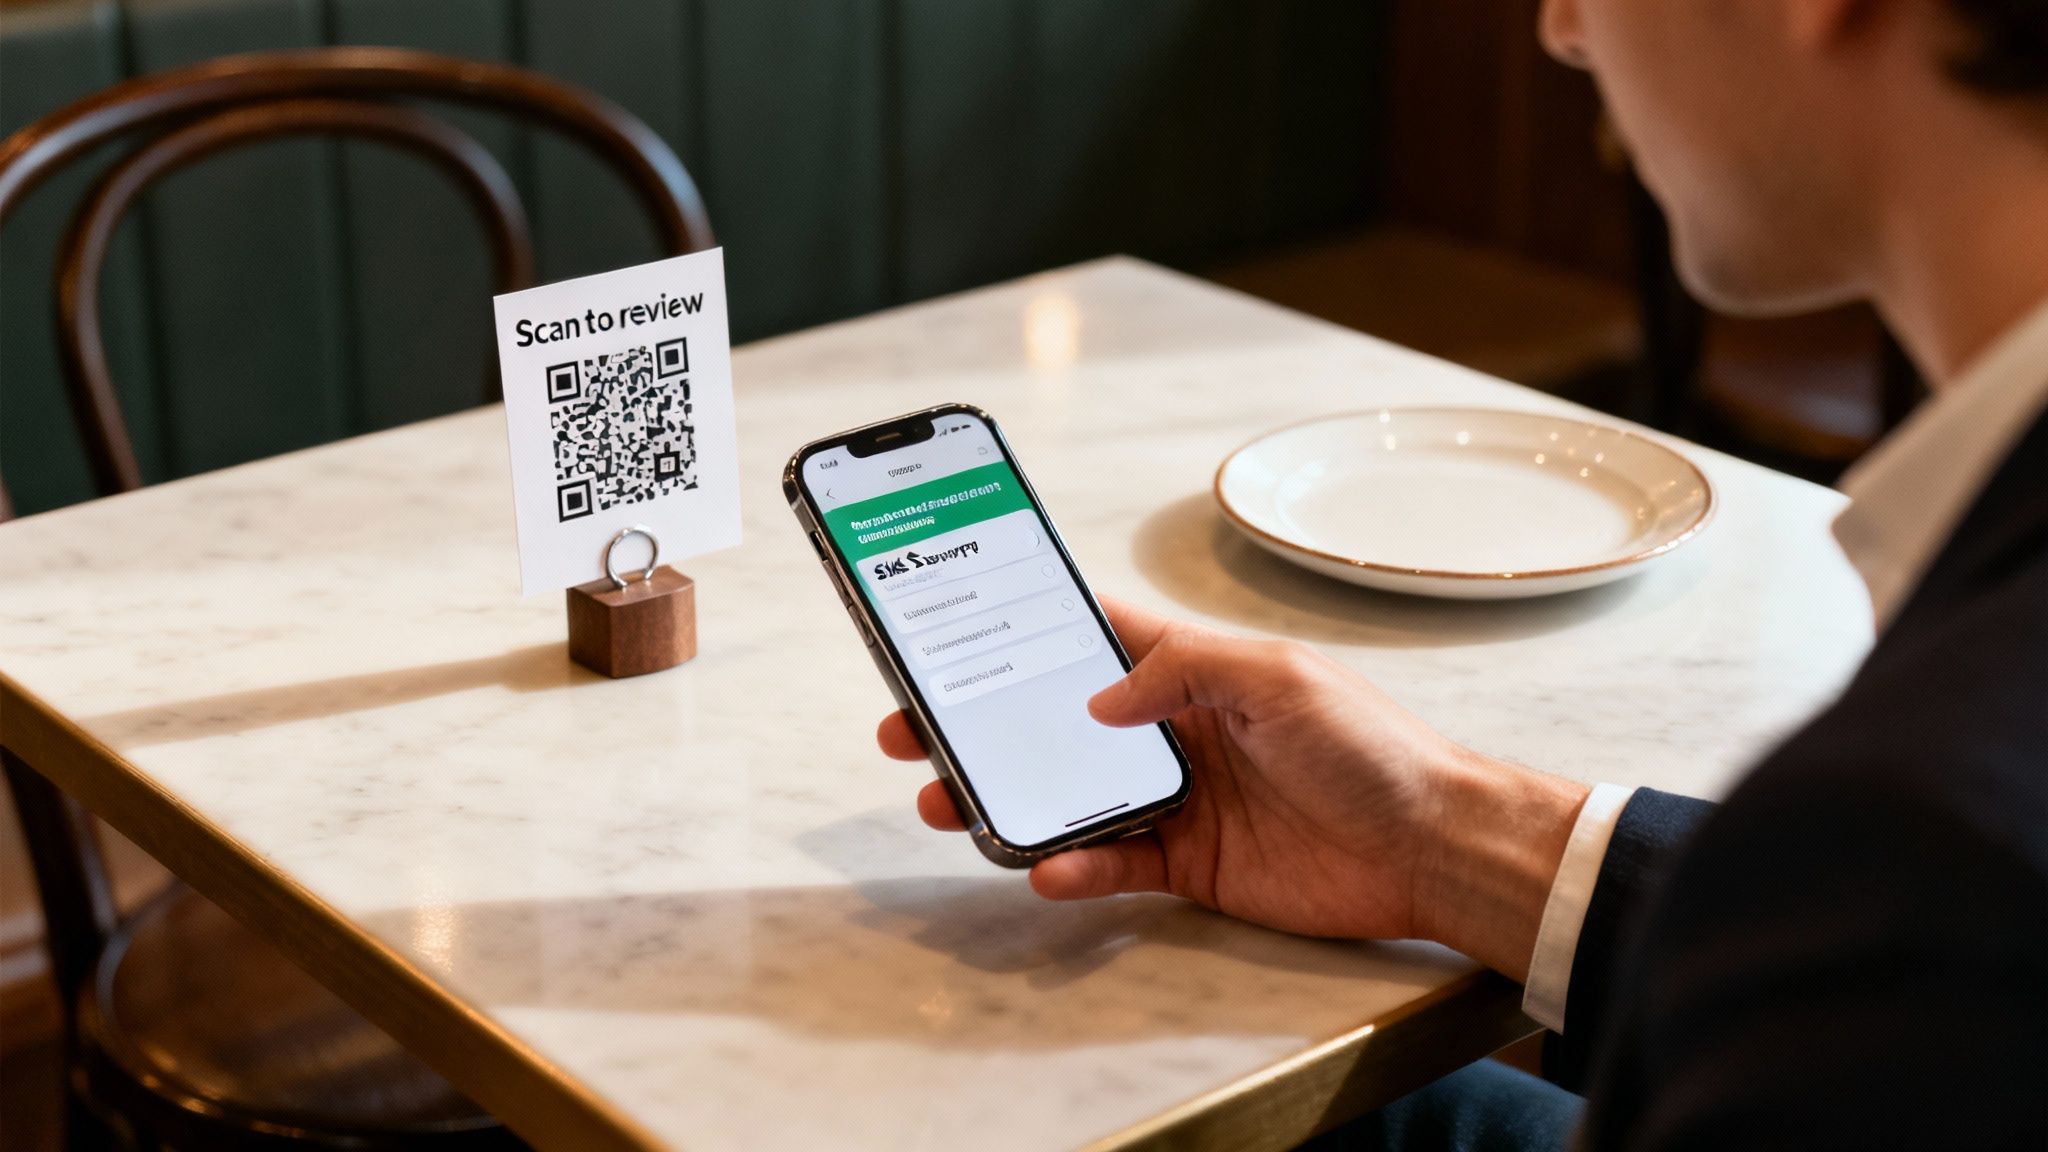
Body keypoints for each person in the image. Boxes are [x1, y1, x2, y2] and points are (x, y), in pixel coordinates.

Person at [876, 0, 2048, 1147]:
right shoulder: (1921, 863)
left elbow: (1910, 926)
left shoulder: (1936, 838)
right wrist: (1441, 835)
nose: (1560, 29)